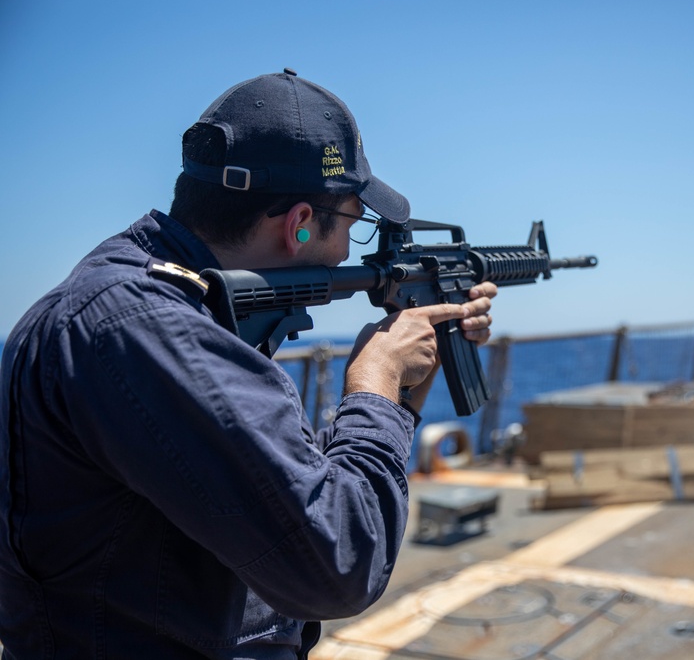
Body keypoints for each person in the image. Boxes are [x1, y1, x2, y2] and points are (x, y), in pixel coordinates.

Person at [0, 68, 497, 658]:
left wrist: (407, 389)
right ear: (300, 226)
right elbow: (340, 564)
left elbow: (268, 488)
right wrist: (377, 384)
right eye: (353, 225)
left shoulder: (158, 303)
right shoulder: (149, 330)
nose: (352, 251)